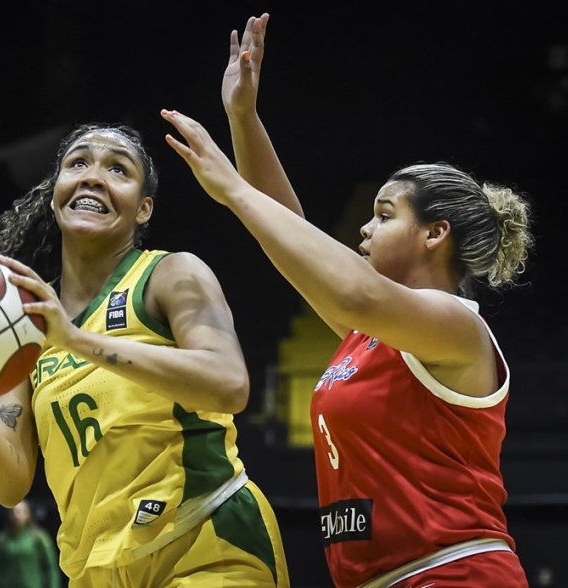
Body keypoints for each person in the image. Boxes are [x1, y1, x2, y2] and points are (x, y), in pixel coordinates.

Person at [160, 13, 534, 587]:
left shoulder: (457, 327)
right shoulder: (372, 337)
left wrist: (232, 189)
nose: (363, 229)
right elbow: (287, 233)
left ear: (435, 234)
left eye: (383, 216)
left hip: (456, 572)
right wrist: (244, 117)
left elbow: (356, 293)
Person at [0, 122, 289, 587]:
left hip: (206, 542)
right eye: (77, 163)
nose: (93, 177)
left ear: (144, 210)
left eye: (117, 169)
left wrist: (77, 341)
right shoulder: (26, 326)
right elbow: (9, 482)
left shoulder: (169, 274)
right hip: (95, 573)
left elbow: (229, 383)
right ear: (55, 191)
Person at [0, 500, 60, 588]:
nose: (16, 515)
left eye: (19, 512)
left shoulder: (39, 538)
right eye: (12, 512)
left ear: (28, 514)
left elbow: (51, 568)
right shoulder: (1, 539)